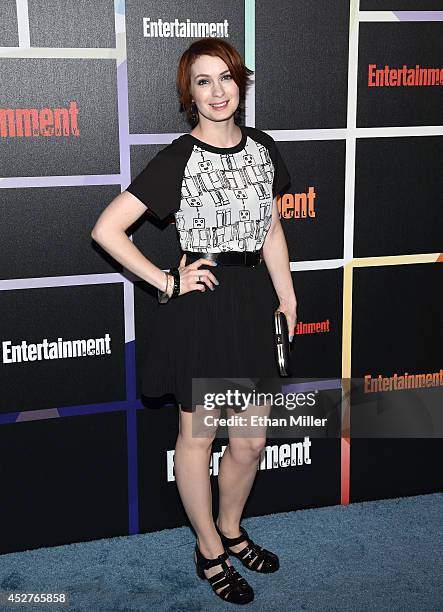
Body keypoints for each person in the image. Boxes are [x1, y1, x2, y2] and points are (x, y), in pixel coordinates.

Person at [91, 37, 297, 605]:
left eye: (225, 77)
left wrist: (287, 294)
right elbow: (107, 230)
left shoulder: (263, 147)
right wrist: (166, 280)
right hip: (203, 310)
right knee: (198, 437)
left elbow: (271, 225)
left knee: (251, 440)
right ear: (190, 94)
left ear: (241, 83)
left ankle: (232, 529)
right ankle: (208, 548)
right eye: (202, 81)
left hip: (254, 304)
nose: (217, 91)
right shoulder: (179, 157)